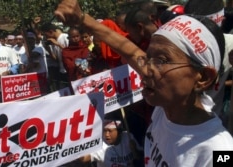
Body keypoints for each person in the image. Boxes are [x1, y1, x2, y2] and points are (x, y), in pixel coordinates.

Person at [54, 1, 233, 166]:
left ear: (202, 77)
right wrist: (82, 18)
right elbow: (129, 50)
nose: (146, 70)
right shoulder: (167, 106)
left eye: (162, 60)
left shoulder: (219, 151)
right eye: (149, 57)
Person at [184, 0, 233, 129]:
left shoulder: (231, 43)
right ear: (222, 19)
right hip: (183, 124)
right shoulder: (177, 47)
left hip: (212, 123)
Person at [78, 119, 143, 167]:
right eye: (104, 131)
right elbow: (84, 158)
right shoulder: (100, 143)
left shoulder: (128, 137)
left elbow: (140, 157)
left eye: (109, 131)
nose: (106, 134)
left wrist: (135, 150)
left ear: (119, 131)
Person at [40, 22, 69, 89]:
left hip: (69, 70)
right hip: (62, 71)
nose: (45, 37)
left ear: (50, 32)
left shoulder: (65, 37)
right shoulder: (52, 42)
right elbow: (56, 59)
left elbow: (70, 52)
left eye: (45, 35)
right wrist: (48, 49)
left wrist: (58, 44)